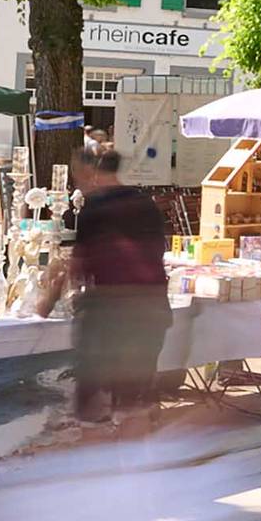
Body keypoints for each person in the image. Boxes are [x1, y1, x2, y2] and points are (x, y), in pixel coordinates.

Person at [38, 148, 170, 434]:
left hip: (115, 312)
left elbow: (78, 264)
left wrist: (48, 300)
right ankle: (135, 454)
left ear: (93, 173)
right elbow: (158, 252)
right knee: (135, 394)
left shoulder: (95, 208)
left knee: (96, 390)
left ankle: (100, 444)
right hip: (151, 307)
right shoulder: (145, 203)